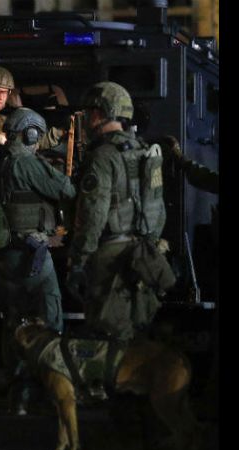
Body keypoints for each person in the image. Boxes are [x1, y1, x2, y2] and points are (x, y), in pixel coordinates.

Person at [66, 82, 171, 346]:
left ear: (101, 113)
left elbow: (93, 213)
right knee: (136, 328)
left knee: (106, 333)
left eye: (90, 112)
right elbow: (157, 207)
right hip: (144, 252)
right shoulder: (144, 150)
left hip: (109, 255)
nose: (88, 119)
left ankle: (107, 385)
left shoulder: (102, 156)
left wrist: (79, 260)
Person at [0, 108, 76, 415]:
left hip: (6, 254)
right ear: (31, 133)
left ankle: (18, 394)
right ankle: (48, 391)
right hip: (32, 254)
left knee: (14, 323)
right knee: (49, 319)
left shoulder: (0, 161)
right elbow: (66, 189)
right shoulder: (27, 163)